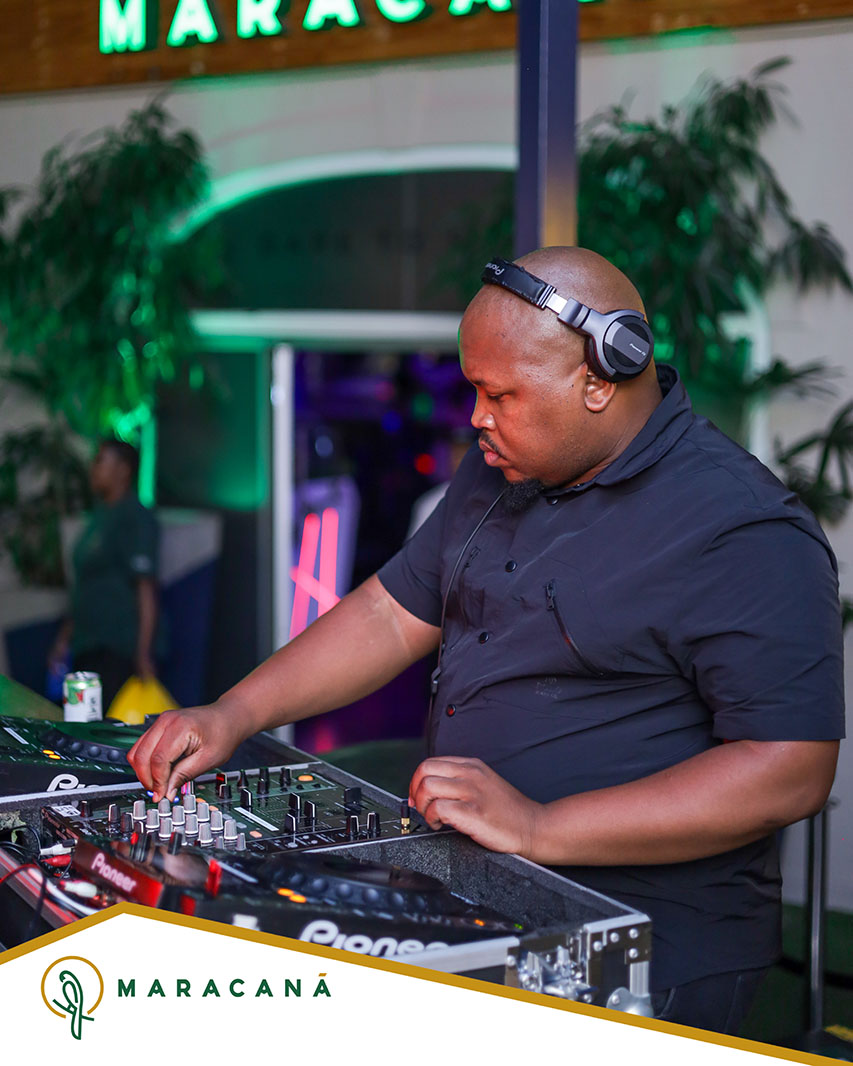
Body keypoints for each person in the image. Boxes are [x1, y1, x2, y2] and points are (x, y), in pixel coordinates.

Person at [128, 248, 843, 1033]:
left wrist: (541, 827)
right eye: (474, 389)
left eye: (499, 394)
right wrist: (234, 713)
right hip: (485, 897)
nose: (476, 416)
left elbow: (788, 770)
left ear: (600, 378)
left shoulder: (742, 527)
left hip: (649, 953)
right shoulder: (502, 468)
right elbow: (388, 613)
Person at [50, 438, 161, 709]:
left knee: (107, 725)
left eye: (100, 461)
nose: (93, 468)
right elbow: (85, 586)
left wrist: (143, 653)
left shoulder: (134, 517)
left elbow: (146, 588)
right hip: (86, 646)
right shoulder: (98, 517)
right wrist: (64, 639)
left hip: (117, 650)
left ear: (123, 469)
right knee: (77, 721)